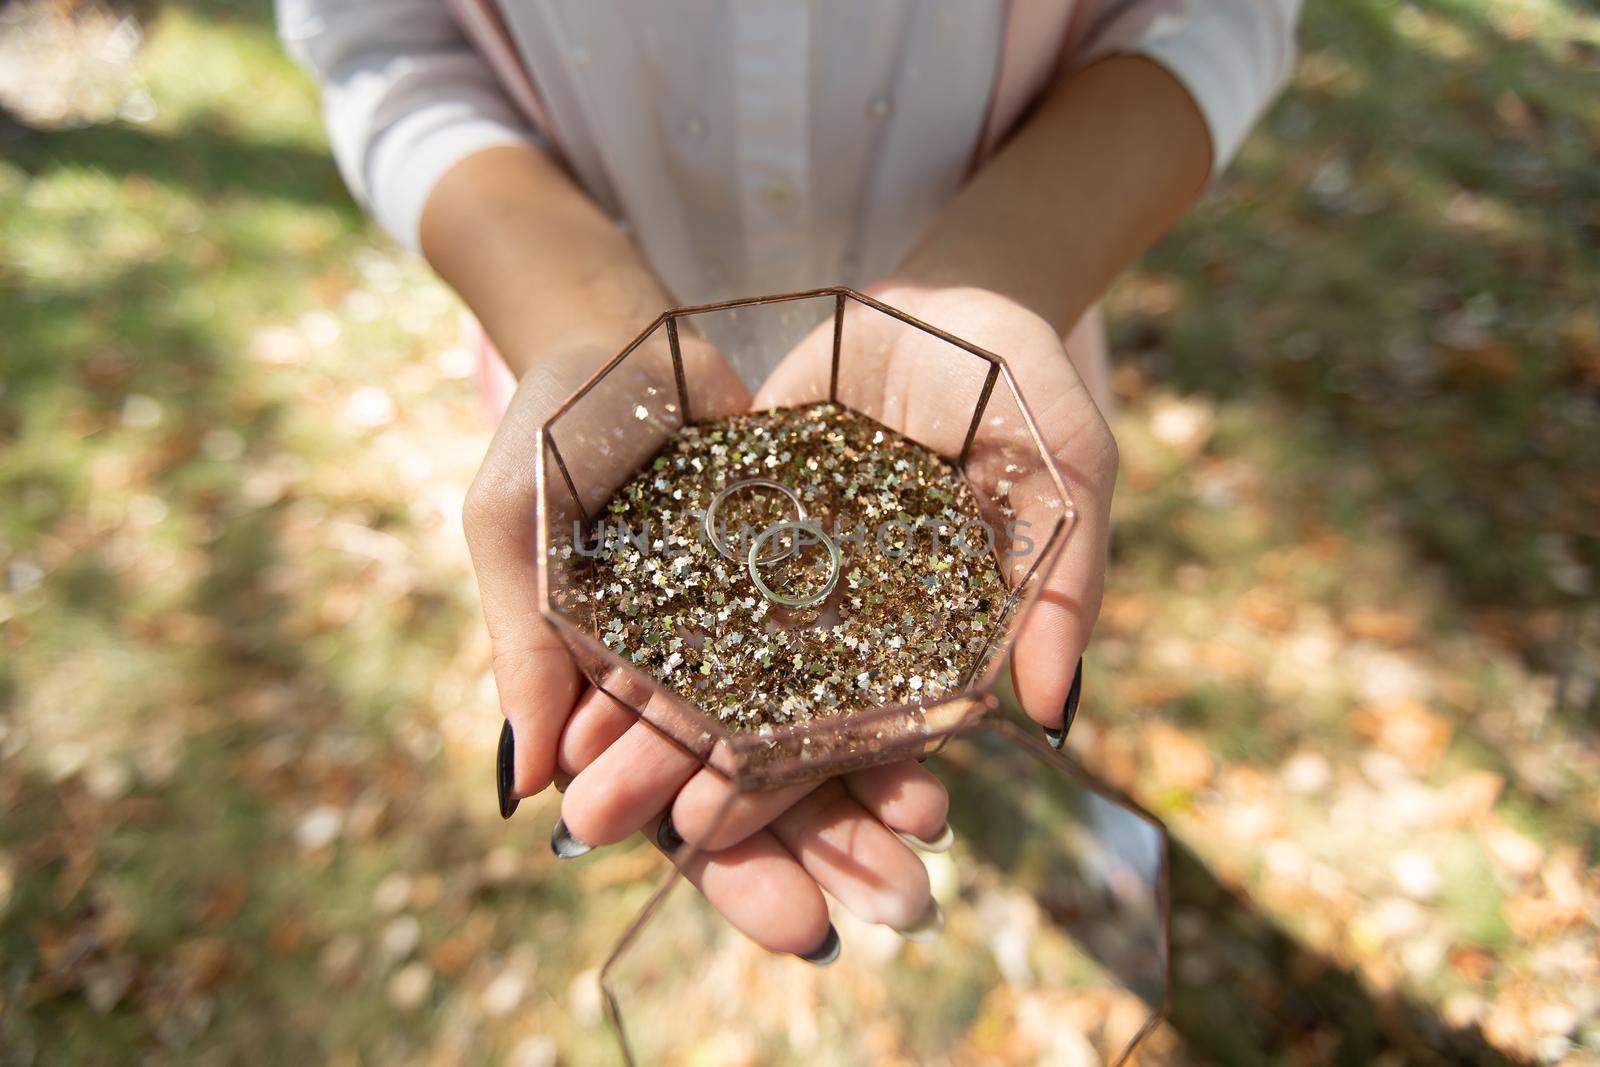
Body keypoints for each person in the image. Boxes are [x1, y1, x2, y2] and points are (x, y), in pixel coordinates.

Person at [279, 0, 1299, 965]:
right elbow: (387, 44)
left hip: (984, 434)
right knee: (900, 762)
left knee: (994, 680)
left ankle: (994, 787)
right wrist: (591, 333)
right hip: (605, 389)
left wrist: (993, 278)